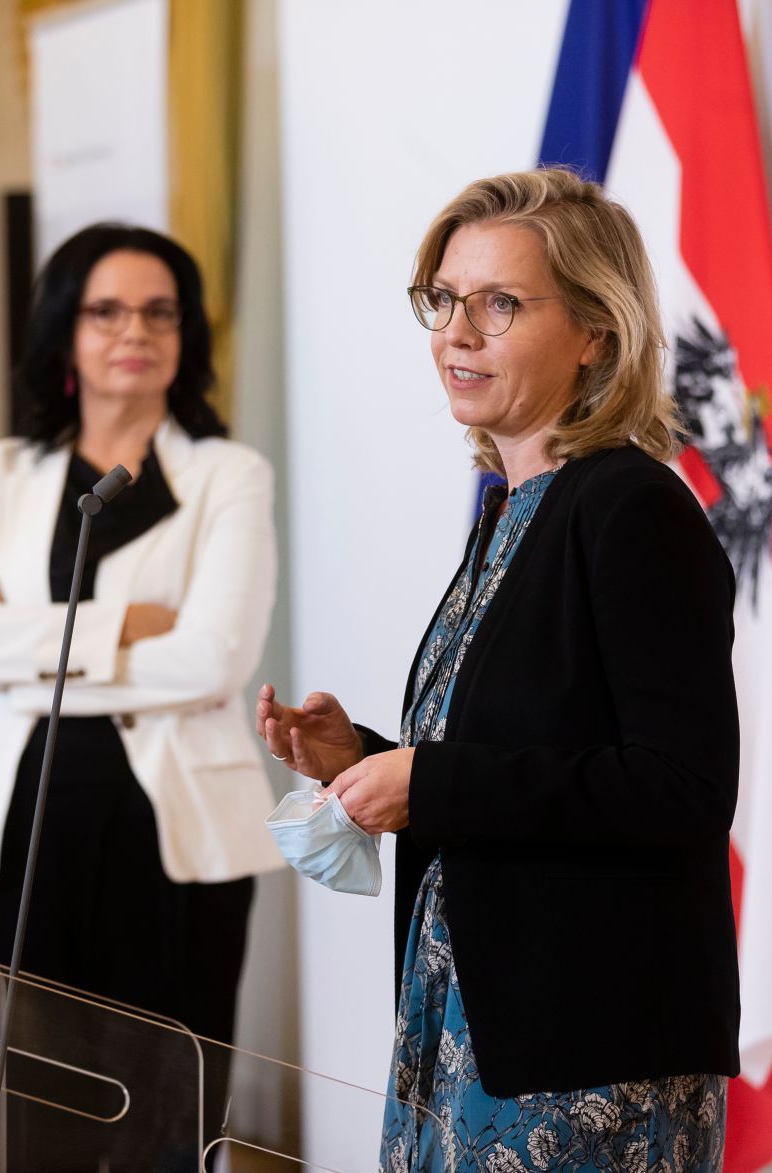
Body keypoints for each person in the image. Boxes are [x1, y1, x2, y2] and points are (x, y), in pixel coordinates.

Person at [256, 167, 741, 1172]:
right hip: (471, 1022)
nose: (454, 334)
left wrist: (427, 780)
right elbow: (527, 756)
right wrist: (371, 759)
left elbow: (680, 788)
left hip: (586, 1053)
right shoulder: (513, 509)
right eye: (442, 300)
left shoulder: (631, 509)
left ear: (594, 332)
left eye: (498, 304)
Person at [0, 223, 283, 1168]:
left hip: (170, 835)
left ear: (186, 333)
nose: (137, 330)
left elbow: (212, 658)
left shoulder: (227, 475)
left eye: (161, 311)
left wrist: (26, 638)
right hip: (17, 824)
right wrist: (125, 623)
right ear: (65, 332)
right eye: (107, 309)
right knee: (33, 1116)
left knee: (171, 1117)